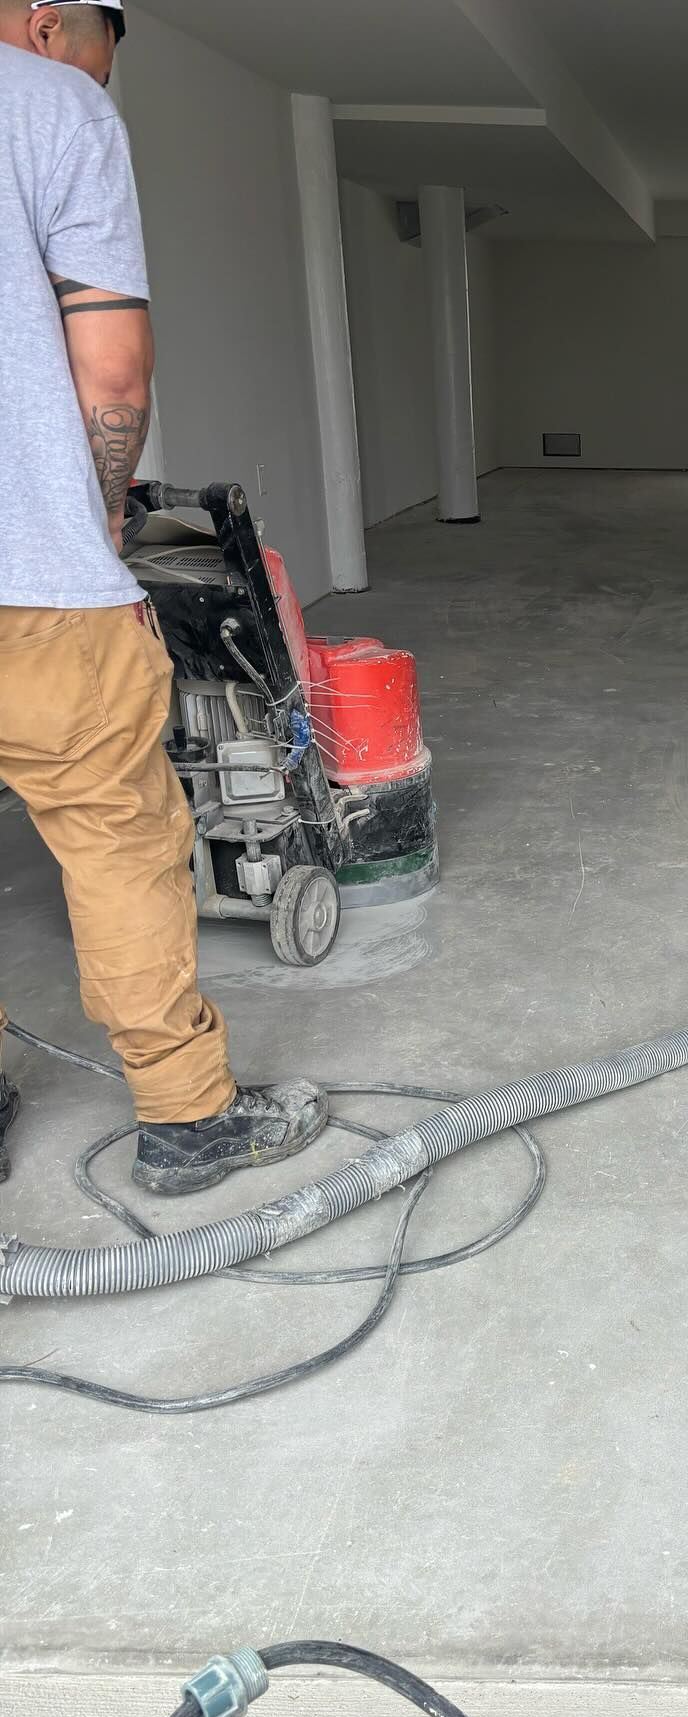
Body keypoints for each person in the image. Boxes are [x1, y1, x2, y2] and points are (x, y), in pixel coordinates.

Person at [0, 0, 326, 1194]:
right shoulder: (51, 108)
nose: (102, 81)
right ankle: (190, 1119)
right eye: (101, 54)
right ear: (49, 24)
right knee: (117, 835)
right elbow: (113, 366)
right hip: (30, 586)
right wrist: (94, 528)